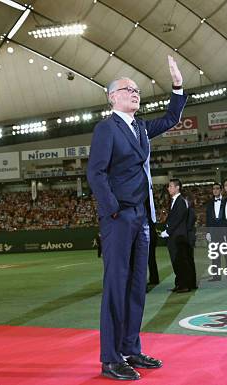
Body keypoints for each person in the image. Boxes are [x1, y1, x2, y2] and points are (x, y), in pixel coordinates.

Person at [86, 56, 186, 381]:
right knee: (115, 286)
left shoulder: (141, 127)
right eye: (128, 89)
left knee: (135, 288)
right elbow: (95, 172)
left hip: (142, 217)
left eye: (138, 91)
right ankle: (110, 357)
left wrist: (177, 85)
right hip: (119, 217)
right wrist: (113, 208)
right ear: (112, 97)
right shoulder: (106, 128)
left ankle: (130, 348)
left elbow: (172, 117)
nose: (135, 93)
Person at [160, 179, 193, 293]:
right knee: (176, 261)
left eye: (170, 186)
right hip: (175, 236)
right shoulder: (175, 201)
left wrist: (167, 231)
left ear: (177, 187)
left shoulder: (180, 201)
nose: (168, 188)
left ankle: (185, 285)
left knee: (180, 261)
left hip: (178, 236)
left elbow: (178, 218)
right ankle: (179, 283)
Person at [205, 182, 224, 281]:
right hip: (213, 232)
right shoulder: (209, 203)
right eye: (214, 189)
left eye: (217, 188)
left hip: (225, 232)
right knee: (215, 255)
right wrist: (208, 232)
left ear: (221, 190)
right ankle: (216, 276)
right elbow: (208, 218)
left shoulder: (226, 201)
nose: (215, 190)